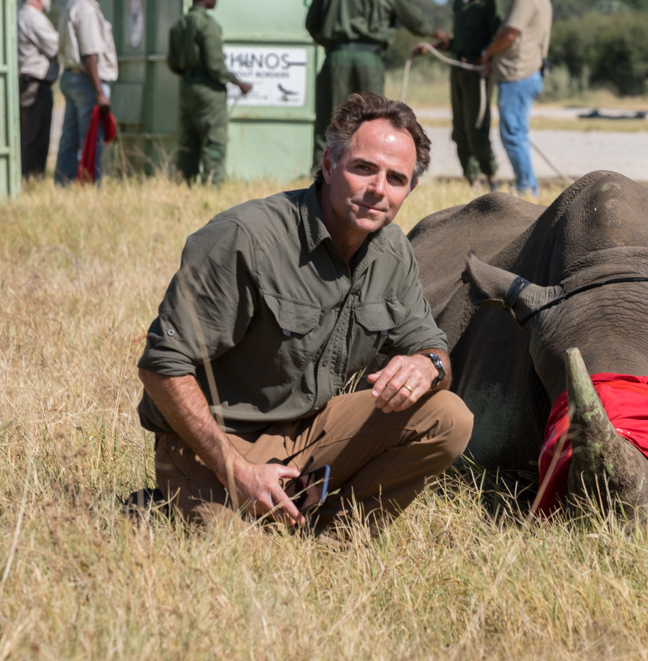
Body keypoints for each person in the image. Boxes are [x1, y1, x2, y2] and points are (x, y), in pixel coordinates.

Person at [136, 93, 474, 533]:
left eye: (396, 178)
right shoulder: (244, 238)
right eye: (364, 168)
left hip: (311, 435)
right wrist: (238, 471)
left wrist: (426, 366)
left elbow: (435, 352)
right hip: (217, 443)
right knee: (241, 564)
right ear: (330, 165)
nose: (378, 189)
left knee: (448, 416)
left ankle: (332, 536)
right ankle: (162, 504)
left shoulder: (392, 250)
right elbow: (162, 368)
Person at [306, 0, 449, 168]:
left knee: (330, 118)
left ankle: (321, 173)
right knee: (370, 119)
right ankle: (367, 167)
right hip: (369, 59)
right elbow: (416, 22)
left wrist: (334, 46)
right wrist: (439, 34)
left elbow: (311, 23)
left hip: (336, 57)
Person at [417, 0, 501, 189]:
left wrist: (482, 59)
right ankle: (471, 179)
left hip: (477, 73)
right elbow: (458, 41)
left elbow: (498, 37)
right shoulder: (459, 3)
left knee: (477, 127)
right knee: (460, 129)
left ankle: (490, 176)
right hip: (458, 72)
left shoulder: (489, 0)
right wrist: (430, 47)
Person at [167, 0, 252, 186]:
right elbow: (215, 65)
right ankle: (213, 186)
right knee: (213, 139)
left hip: (187, 87)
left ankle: (183, 185)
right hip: (209, 90)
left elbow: (172, 63)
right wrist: (238, 82)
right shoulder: (208, 25)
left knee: (189, 141)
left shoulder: (179, 24)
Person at [481, 0, 552, 198]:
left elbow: (511, 32)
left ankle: (526, 189)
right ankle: (527, 185)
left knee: (513, 133)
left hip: (519, 75)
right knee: (516, 132)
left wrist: (487, 53)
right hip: (521, 73)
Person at [56, 0, 117, 186]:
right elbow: (90, 54)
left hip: (71, 77)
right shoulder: (88, 10)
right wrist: (99, 91)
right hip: (87, 81)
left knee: (69, 138)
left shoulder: (72, 5)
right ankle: (92, 184)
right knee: (92, 138)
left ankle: (62, 183)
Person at [17, 0, 60, 181]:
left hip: (26, 82)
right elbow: (56, 46)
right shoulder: (34, 18)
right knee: (37, 136)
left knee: (28, 135)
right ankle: (33, 179)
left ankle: (26, 177)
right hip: (36, 83)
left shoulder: (20, 16)